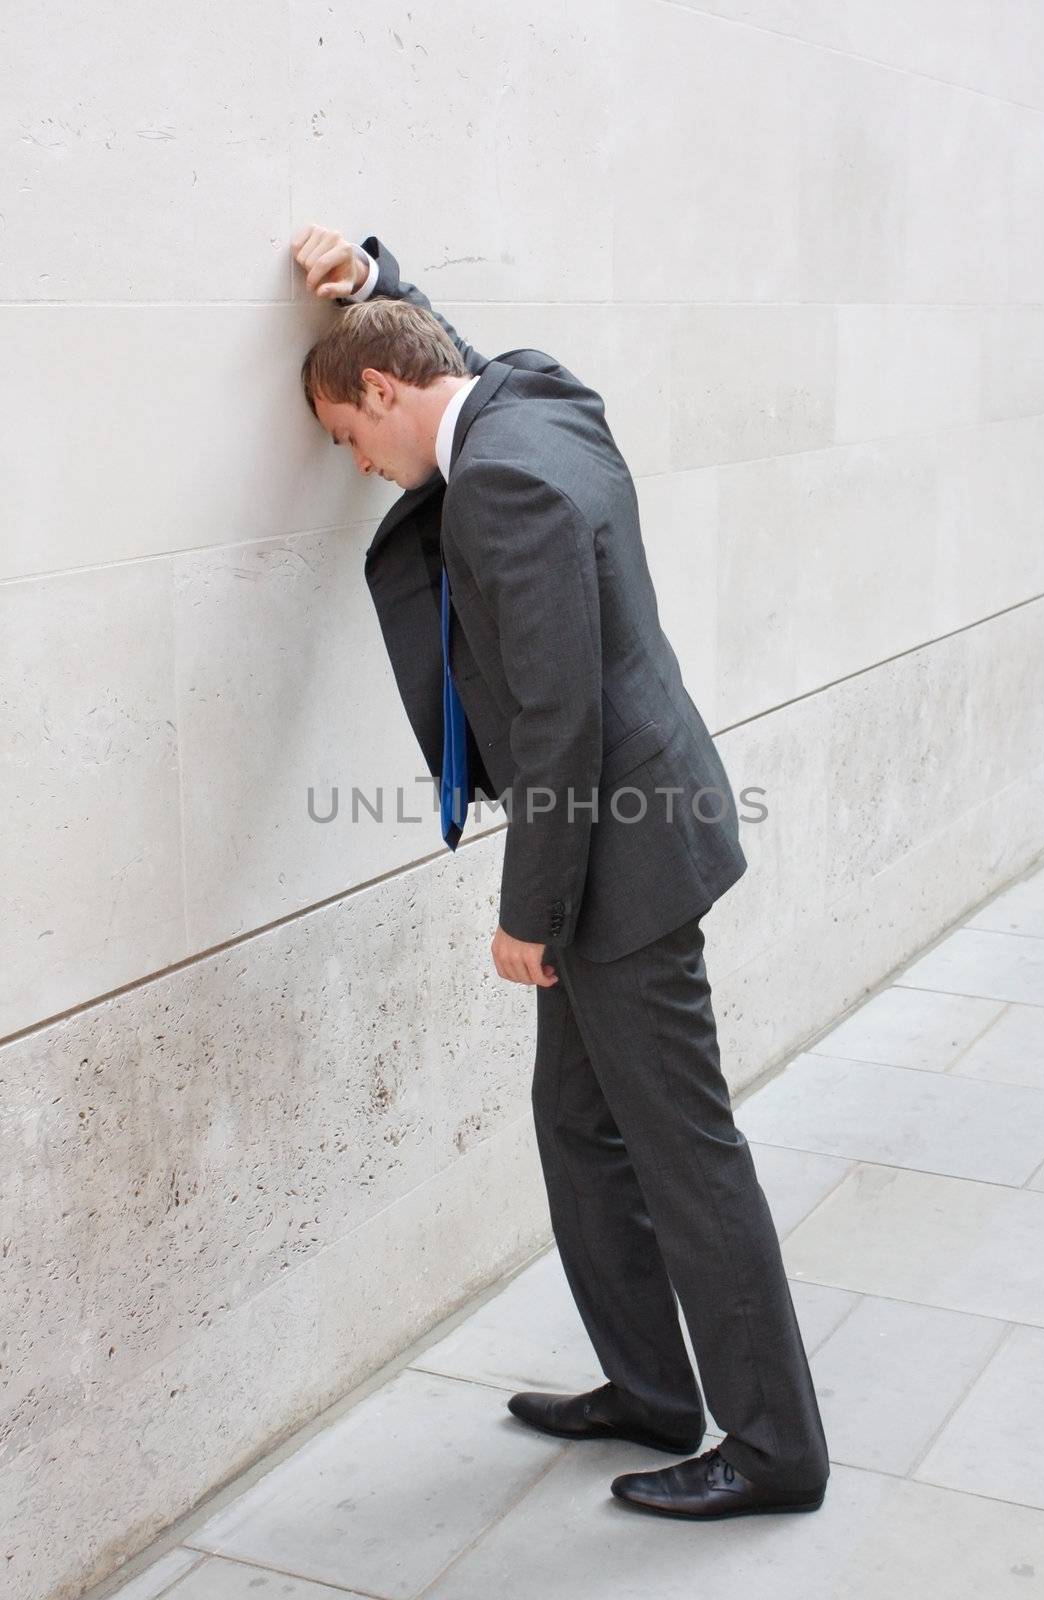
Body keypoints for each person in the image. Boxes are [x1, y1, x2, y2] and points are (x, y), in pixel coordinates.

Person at [291, 223, 830, 1521]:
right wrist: (374, 289)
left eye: (348, 442)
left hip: (617, 861)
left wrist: (528, 915)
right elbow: (444, 360)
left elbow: (558, 716)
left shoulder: (504, 484)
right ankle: (650, 1388)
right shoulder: (533, 392)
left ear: (377, 395)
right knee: (580, 1126)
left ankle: (774, 1451)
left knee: (683, 1150)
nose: (359, 471)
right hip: (633, 832)